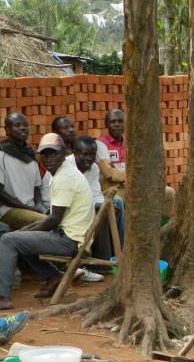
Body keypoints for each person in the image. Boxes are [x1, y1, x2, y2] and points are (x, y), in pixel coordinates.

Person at [0, 133, 95, 307]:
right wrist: (24, 233)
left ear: (64, 153)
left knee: (8, 240)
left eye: (53, 153)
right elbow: (52, 219)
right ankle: (54, 277)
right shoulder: (62, 173)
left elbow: (53, 220)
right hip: (71, 236)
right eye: (44, 154)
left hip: (70, 241)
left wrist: (23, 232)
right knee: (19, 238)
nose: (48, 158)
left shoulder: (64, 178)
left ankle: (2, 297)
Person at [96, 108, 176, 222]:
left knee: (169, 193)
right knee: (123, 200)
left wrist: (127, 174)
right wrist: (133, 174)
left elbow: (143, 167)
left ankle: (161, 232)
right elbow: (110, 174)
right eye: (113, 122)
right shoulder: (100, 144)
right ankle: (124, 238)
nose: (117, 124)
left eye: (120, 121)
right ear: (106, 124)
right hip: (113, 188)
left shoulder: (131, 143)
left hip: (133, 185)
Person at [71, 135, 118, 274]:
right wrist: (98, 207)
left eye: (92, 155)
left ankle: (103, 262)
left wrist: (106, 207)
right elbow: (71, 201)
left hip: (84, 209)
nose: (89, 158)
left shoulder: (94, 169)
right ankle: (88, 264)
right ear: (75, 153)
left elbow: (96, 195)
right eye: (85, 154)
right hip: (63, 210)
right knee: (99, 211)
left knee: (107, 210)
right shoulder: (66, 169)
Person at [0, 112, 46, 229]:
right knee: (46, 222)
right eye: (17, 125)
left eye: (25, 125)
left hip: (31, 208)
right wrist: (29, 209)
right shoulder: (1, 154)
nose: (23, 128)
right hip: (8, 210)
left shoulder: (30, 154)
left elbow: (36, 187)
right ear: (7, 130)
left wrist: (39, 204)